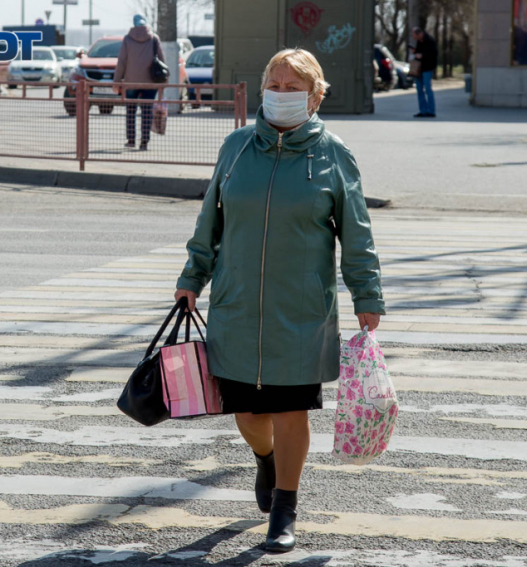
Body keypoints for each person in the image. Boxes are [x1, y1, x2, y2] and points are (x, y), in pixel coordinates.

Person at [174, 49, 385, 552]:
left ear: (314, 96)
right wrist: (191, 276)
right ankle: (265, 460)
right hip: (238, 305)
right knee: (247, 414)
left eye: (293, 87)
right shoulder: (237, 148)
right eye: (275, 82)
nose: (281, 93)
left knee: (292, 412)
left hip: (302, 311)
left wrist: (366, 291)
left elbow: (357, 233)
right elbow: (210, 222)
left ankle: (285, 508)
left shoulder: (334, 154)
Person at [113, 14, 165, 151]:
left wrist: (116, 81)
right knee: (146, 111)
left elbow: (122, 62)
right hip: (150, 83)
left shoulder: (127, 39)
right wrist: (163, 84)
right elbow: (162, 61)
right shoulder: (154, 38)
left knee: (131, 111)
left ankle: (131, 140)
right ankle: (144, 142)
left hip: (131, 82)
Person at [410, 27, 438, 118]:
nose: (413, 37)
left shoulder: (430, 41)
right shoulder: (419, 42)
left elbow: (433, 54)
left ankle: (431, 111)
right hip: (419, 69)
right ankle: (423, 110)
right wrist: (415, 52)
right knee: (419, 89)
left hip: (427, 68)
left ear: (420, 34)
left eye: (414, 35)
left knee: (428, 89)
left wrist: (422, 55)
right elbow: (419, 53)